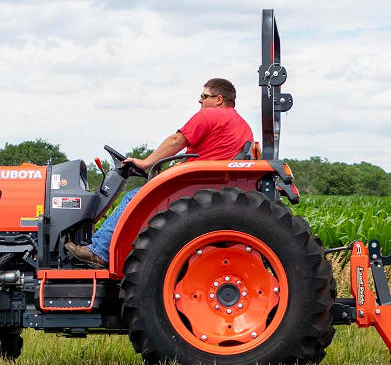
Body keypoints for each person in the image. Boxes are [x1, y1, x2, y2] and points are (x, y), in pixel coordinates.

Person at [66, 78, 254, 268]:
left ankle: (98, 251)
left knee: (133, 198)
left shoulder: (210, 115)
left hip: (195, 187)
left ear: (219, 99)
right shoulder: (243, 126)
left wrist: (145, 163)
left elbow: (176, 140)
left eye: (204, 96)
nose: (200, 101)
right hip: (212, 186)